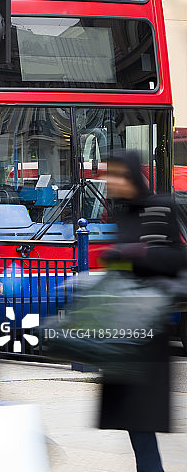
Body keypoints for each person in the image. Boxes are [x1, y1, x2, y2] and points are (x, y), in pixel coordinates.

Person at [98, 150, 187, 472]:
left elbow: (177, 259)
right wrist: (118, 259)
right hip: (123, 331)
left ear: (134, 176)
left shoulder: (161, 206)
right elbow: (124, 267)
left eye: (118, 174)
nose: (110, 181)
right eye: (109, 174)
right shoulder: (120, 213)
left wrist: (131, 253)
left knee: (142, 421)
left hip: (148, 330)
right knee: (136, 426)